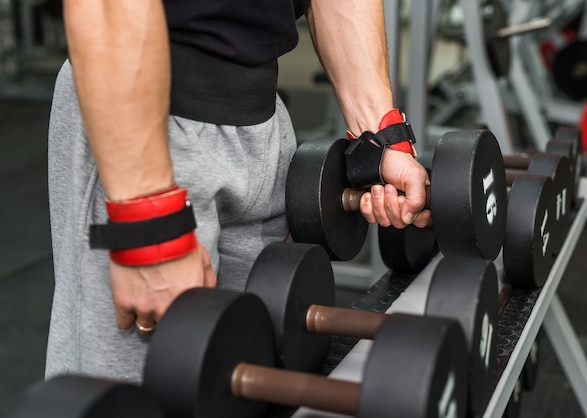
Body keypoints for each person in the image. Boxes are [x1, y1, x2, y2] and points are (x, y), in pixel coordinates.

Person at [46, 0, 431, 383]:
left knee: (242, 381)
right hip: (141, 114)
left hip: (261, 119)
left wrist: (378, 138)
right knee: (134, 394)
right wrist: (148, 221)